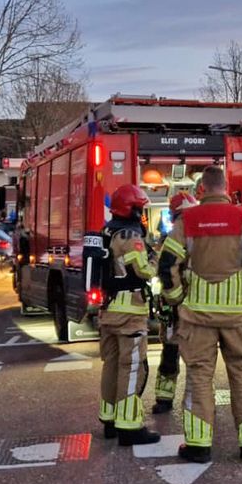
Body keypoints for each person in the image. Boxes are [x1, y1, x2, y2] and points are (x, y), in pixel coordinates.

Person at [159, 166, 242, 463]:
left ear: (201, 189)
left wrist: (177, 297)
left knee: (199, 377)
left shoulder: (187, 220)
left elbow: (167, 264)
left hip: (197, 317)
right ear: (225, 187)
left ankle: (198, 446)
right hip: (237, 317)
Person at [97, 183, 161, 445]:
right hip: (130, 314)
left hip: (108, 311)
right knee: (132, 368)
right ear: (132, 210)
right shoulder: (130, 236)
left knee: (111, 365)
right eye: (140, 209)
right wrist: (156, 258)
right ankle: (129, 427)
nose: (142, 214)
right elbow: (144, 271)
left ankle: (109, 419)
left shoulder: (107, 231)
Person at [152, 190, 197, 414]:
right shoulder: (177, 235)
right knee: (178, 352)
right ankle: (167, 397)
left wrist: (174, 298)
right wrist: (176, 298)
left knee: (173, 351)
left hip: (181, 302)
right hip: (183, 304)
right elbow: (167, 269)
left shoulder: (182, 233)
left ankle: (167, 397)